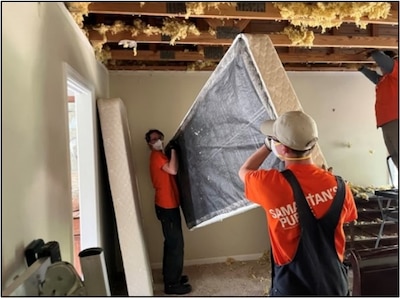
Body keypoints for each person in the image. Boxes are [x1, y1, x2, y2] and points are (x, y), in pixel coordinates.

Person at [238, 111, 358, 296]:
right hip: (334, 284)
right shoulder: (340, 185)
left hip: (291, 285)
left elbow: (244, 171)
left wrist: (267, 146)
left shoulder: (269, 184)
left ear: (283, 149)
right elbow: (346, 217)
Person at [145, 129, 192, 295]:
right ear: (149, 143)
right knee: (175, 245)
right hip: (166, 206)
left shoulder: (161, 155)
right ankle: (172, 284)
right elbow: (173, 170)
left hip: (168, 205)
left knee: (171, 243)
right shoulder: (157, 156)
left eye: (159, 138)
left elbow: (173, 168)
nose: (157, 140)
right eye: (153, 139)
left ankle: (171, 276)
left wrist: (171, 151)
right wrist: (173, 149)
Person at [358, 50, 398, 169]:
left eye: (381, 65)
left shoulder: (397, 71)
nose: (380, 68)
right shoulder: (385, 79)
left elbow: (385, 62)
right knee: (395, 156)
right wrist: (361, 68)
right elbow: (375, 78)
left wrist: (373, 52)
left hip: (396, 120)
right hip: (387, 122)